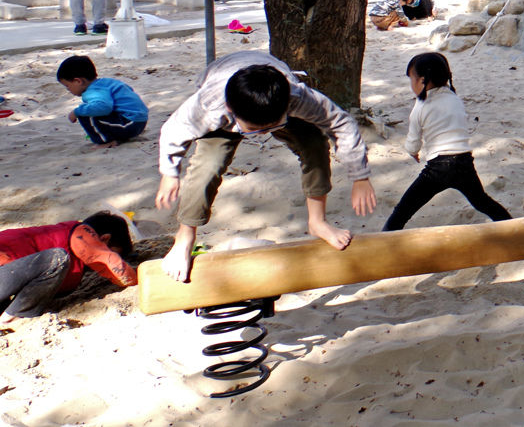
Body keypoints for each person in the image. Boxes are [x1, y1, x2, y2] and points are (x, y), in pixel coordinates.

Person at [154, 51, 377, 283]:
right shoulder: (209, 106)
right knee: (208, 165)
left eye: (271, 127)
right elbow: (173, 131)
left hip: (271, 100)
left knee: (313, 144)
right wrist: (169, 173)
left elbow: (341, 123)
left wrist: (360, 176)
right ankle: (185, 237)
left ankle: (317, 222)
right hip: (226, 96)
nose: (262, 135)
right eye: (254, 130)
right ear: (230, 109)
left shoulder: (297, 97)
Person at [384, 53, 513, 231]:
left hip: (437, 169)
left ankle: (386, 237)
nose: (411, 84)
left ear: (422, 81)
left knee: (404, 210)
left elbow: (413, 142)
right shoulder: (455, 99)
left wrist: (412, 151)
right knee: (482, 201)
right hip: (464, 164)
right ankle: (514, 228)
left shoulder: (420, 107)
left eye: (411, 79)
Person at [0, 213, 135, 322]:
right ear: (105, 239)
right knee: (57, 259)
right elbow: (114, 265)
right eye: (114, 252)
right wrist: (139, 279)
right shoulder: (83, 234)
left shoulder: (61, 236)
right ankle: (12, 317)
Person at [57, 55, 149, 147]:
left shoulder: (93, 91)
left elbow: (104, 107)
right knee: (91, 108)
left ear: (78, 81)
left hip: (129, 123)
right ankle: (121, 136)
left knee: (85, 113)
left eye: (67, 86)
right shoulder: (106, 82)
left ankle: (105, 141)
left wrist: (76, 112)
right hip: (139, 121)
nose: (68, 90)